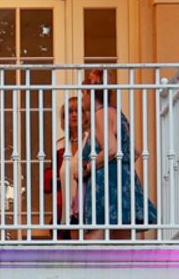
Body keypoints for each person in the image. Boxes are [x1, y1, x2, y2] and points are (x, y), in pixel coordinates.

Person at [55, 69, 157, 237]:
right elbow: (135, 151)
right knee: (119, 242)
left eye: (83, 94)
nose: (82, 99)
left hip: (106, 187)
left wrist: (87, 167)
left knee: (92, 243)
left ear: (90, 93)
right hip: (123, 184)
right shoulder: (116, 113)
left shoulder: (99, 115)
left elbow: (111, 148)